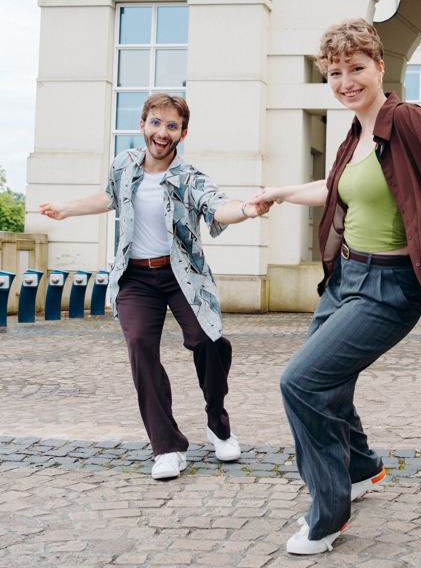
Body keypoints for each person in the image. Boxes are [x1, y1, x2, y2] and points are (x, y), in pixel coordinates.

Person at [247, 18, 421, 555]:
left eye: (356, 68)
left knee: (302, 383)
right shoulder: (356, 133)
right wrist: (281, 191)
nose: (346, 80)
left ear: (380, 67)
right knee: (331, 382)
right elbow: (336, 190)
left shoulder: (405, 119)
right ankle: (360, 468)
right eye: (335, 72)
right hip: (345, 277)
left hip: (389, 287)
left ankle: (328, 514)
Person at [39, 93, 268, 481]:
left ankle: (217, 421)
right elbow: (108, 197)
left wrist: (246, 209)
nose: (162, 133)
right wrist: (67, 208)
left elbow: (217, 206)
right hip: (135, 278)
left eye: (172, 126)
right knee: (140, 347)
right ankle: (167, 446)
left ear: (183, 133)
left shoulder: (189, 177)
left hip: (182, 277)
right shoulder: (124, 165)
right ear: (143, 125)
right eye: (156, 123)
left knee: (208, 341)